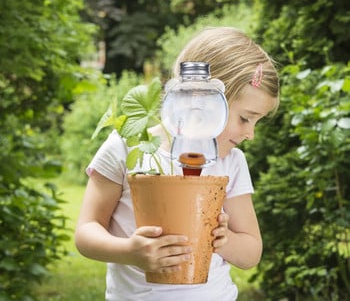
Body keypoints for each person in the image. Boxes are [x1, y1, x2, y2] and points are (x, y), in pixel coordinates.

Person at [75, 27, 280, 300]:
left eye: (257, 121)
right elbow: (86, 232)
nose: (250, 134)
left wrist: (225, 240)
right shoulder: (127, 146)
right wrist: (129, 252)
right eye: (245, 118)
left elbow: (251, 252)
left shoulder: (232, 163)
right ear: (201, 97)